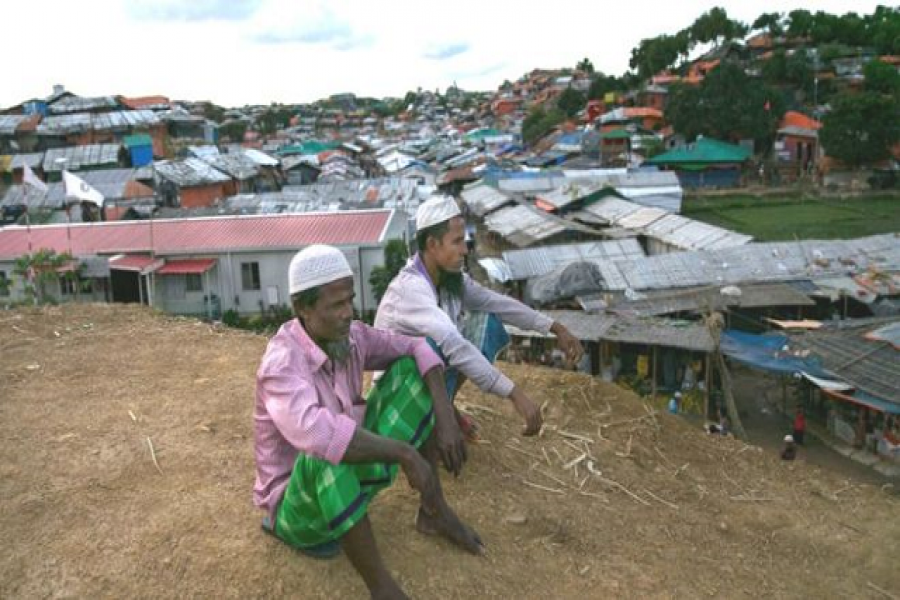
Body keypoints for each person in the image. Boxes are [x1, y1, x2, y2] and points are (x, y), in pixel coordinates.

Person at [254, 245, 482, 600]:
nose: (348, 313)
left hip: (345, 479)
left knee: (413, 370)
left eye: (350, 300)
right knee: (324, 453)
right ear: (303, 309)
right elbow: (318, 434)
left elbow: (419, 347)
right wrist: (405, 454)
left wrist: (446, 412)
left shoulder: (352, 337)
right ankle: (382, 588)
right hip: (298, 510)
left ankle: (433, 510)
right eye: (336, 305)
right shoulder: (282, 363)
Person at [374, 195, 584, 437]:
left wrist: (555, 328)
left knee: (487, 320)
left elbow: (496, 303)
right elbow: (454, 345)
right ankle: (434, 423)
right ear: (432, 244)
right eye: (457, 242)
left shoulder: (449, 279)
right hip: (398, 397)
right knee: (432, 346)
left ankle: (446, 406)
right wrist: (515, 394)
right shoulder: (410, 290)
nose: (465, 250)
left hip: (428, 385)